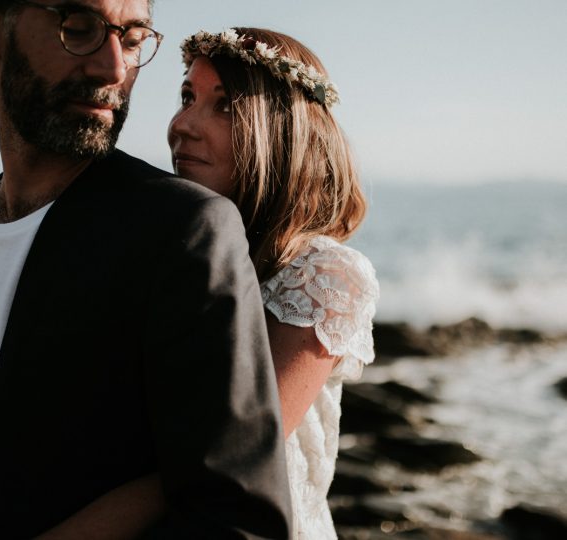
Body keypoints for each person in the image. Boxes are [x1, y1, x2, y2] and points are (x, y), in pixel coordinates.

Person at [0, 3, 293, 539]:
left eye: (131, 39)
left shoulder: (185, 231)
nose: (114, 69)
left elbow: (235, 517)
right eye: (78, 28)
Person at [38, 28, 380, 539]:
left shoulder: (322, 275)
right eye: (186, 97)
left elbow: (227, 461)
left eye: (224, 107)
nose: (183, 126)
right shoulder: (169, 254)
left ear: (279, 130)